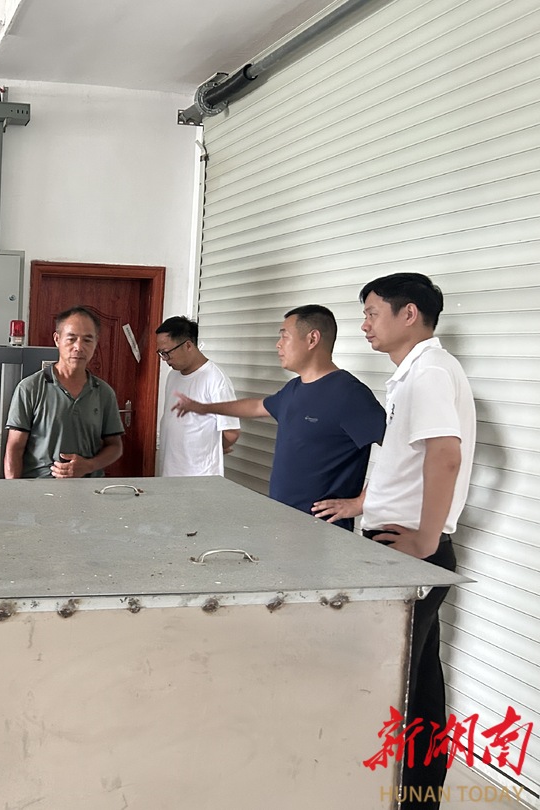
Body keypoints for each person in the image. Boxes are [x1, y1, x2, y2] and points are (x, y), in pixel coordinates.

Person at [313, 274, 475, 810]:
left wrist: (426, 541)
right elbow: (407, 461)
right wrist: (363, 504)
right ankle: (417, 798)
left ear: (409, 314)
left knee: (392, 682)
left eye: (372, 312)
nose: (364, 324)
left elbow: (445, 456)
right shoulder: (417, 373)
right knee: (419, 683)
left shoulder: (428, 373)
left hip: (410, 551)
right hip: (402, 543)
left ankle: (403, 798)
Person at [173, 305, 384, 532]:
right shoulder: (294, 389)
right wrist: (204, 408)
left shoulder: (349, 394)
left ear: (312, 339)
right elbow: (256, 406)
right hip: (282, 522)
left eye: (285, 336)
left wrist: (361, 503)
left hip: (323, 531)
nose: (278, 344)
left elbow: (400, 450)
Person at [4, 306, 124, 479]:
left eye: (87, 340)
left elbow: (115, 446)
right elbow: (14, 448)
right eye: (71, 339)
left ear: (96, 342)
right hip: (40, 489)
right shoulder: (30, 388)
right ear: (57, 339)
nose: (79, 347)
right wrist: (14, 491)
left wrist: (89, 465)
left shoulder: (104, 393)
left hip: (89, 489)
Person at [155, 316, 240, 476]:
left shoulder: (215, 379)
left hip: (199, 475)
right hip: (171, 472)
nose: (164, 359)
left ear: (188, 345)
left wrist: (212, 449)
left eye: (166, 353)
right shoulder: (173, 375)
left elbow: (231, 431)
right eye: (160, 353)